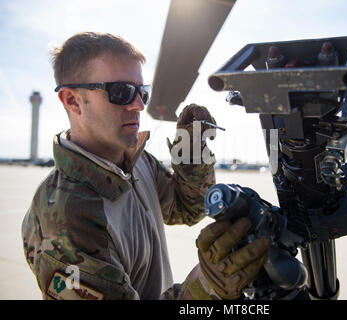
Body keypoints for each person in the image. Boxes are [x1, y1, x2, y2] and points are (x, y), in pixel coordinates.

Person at [21, 32, 270, 300]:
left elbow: (186, 210)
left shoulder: (135, 161)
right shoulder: (67, 216)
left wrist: (191, 157)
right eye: (121, 92)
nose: (139, 105)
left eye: (142, 92)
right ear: (72, 101)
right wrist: (206, 288)